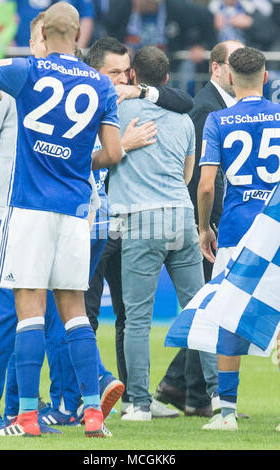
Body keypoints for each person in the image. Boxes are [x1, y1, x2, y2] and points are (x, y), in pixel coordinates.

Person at [0, 1, 122, 438]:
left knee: (28, 312)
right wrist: (80, 163)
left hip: (27, 208)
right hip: (77, 211)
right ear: (79, 35)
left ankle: (25, 417)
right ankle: (93, 414)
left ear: (44, 34)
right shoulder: (101, 83)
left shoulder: (28, 71)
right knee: (75, 312)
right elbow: (114, 154)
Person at [40, 36, 195, 423]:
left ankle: (133, 398)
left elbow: (184, 101)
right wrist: (120, 147)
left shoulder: (127, 103)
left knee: (128, 314)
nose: (122, 81)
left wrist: (138, 90)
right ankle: (80, 397)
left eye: (127, 73)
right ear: (93, 73)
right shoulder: (82, 106)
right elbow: (68, 164)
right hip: (87, 222)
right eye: (114, 74)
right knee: (83, 313)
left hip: (122, 222)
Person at [107, 45, 205, 421]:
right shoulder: (182, 119)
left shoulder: (117, 109)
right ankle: (216, 400)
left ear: (132, 75)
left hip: (138, 217)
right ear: (166, 78)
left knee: (136, 318)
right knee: (198, 312)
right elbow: (187, 174)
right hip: (181, 215)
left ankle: (139, 404)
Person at [154, 39, 244, 418]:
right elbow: (200, 177)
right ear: (216, 68)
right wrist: (204, 223)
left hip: (214, 224)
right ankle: (191, 392)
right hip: (208, 226)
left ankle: (181, 388)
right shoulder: (208, 108)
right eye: (233, 62)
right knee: (213, 310)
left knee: (210, 308)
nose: (239, 69)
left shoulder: (226, 108)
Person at [198, 45, 280, 430]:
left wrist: (203, 228)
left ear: (229, 78)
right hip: (276, 233)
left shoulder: (217, 120)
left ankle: (227, 413)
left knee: (228, 318)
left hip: (235, 232)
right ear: (265, 77)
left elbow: (207, 185)